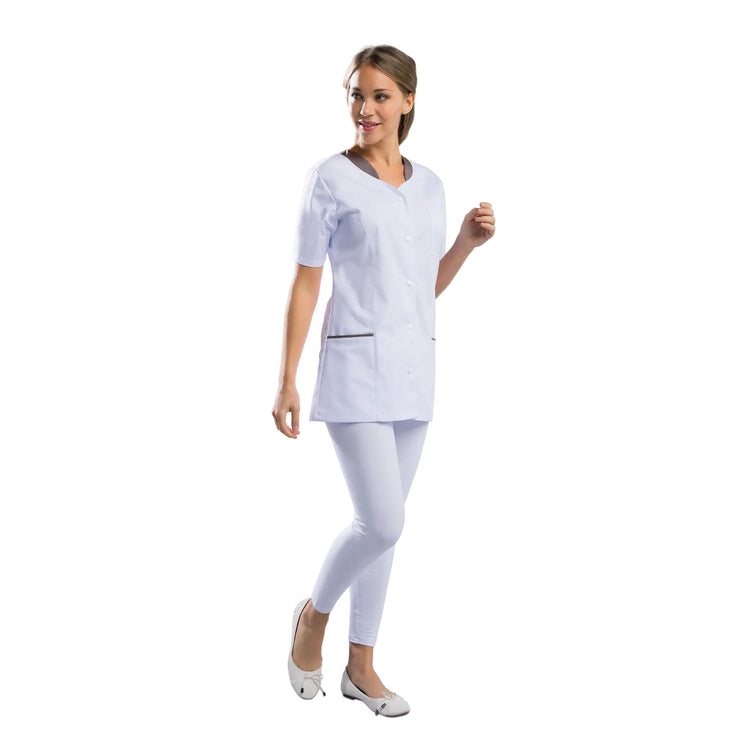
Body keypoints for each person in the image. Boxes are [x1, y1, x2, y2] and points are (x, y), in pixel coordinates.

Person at [272, 44, 495, 717]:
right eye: (357, 95)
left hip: (414, 372)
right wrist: (286, 379)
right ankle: (313, 618)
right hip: (353, 374)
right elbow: (306, 282)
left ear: (408, 101)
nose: (364, 109)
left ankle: (361, 668)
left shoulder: (430, 187)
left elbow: (422, 290)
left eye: (379, 96)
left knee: (386, 529)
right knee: (383, 520)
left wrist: (464, 245)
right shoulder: (328, 180)